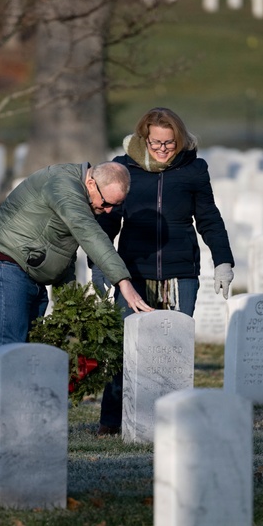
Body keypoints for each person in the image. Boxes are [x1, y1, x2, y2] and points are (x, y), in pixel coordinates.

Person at [93, 107, 234, 436]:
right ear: (144, 138)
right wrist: (100, 264)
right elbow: (108, 219)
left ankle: (176, 417)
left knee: (175, 348)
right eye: (156, 143)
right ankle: (112, 419)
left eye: (169, 143)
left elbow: (209, 218)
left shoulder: (194, 169)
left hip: (180, 269)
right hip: (134, 270)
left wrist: (223, 259)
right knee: (124, 345)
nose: (162, 149)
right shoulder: (124, 166)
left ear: (179, 140)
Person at [0, 160, 153, 411]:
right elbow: (88, 232)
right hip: (5, 263)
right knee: (8, 344)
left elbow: (62, 250)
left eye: (117, 205)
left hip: (32, 271)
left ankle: (19, 417)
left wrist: (73, 304)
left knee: (28, 346)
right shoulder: (63, 186)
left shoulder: (83, 192)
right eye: (107, 203)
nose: (110, 210)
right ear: (91, 183)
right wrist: (124, 282)